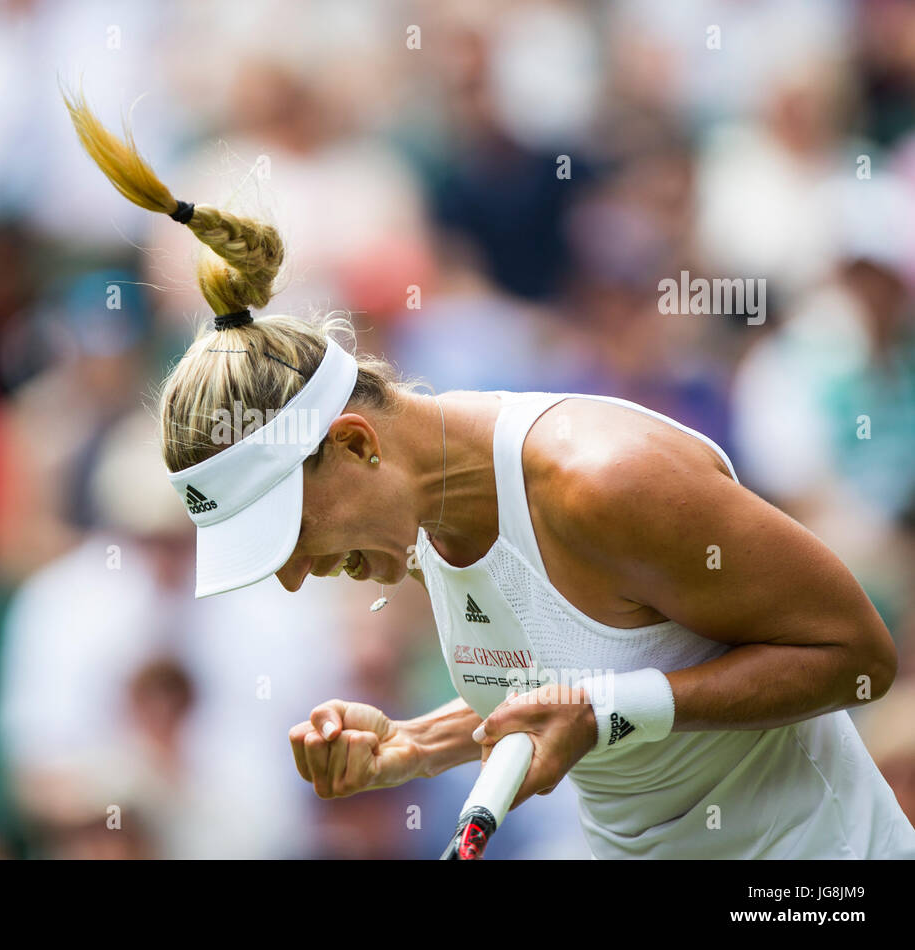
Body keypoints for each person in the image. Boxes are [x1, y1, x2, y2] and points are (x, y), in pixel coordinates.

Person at [61, 91, 915, 859]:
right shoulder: (419, 507)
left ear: (357, 446)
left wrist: (603, 714)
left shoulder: (603, 482)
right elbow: (572, 681)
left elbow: (860, 659)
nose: (291, 577)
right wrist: (415, 745)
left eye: (291, 533)